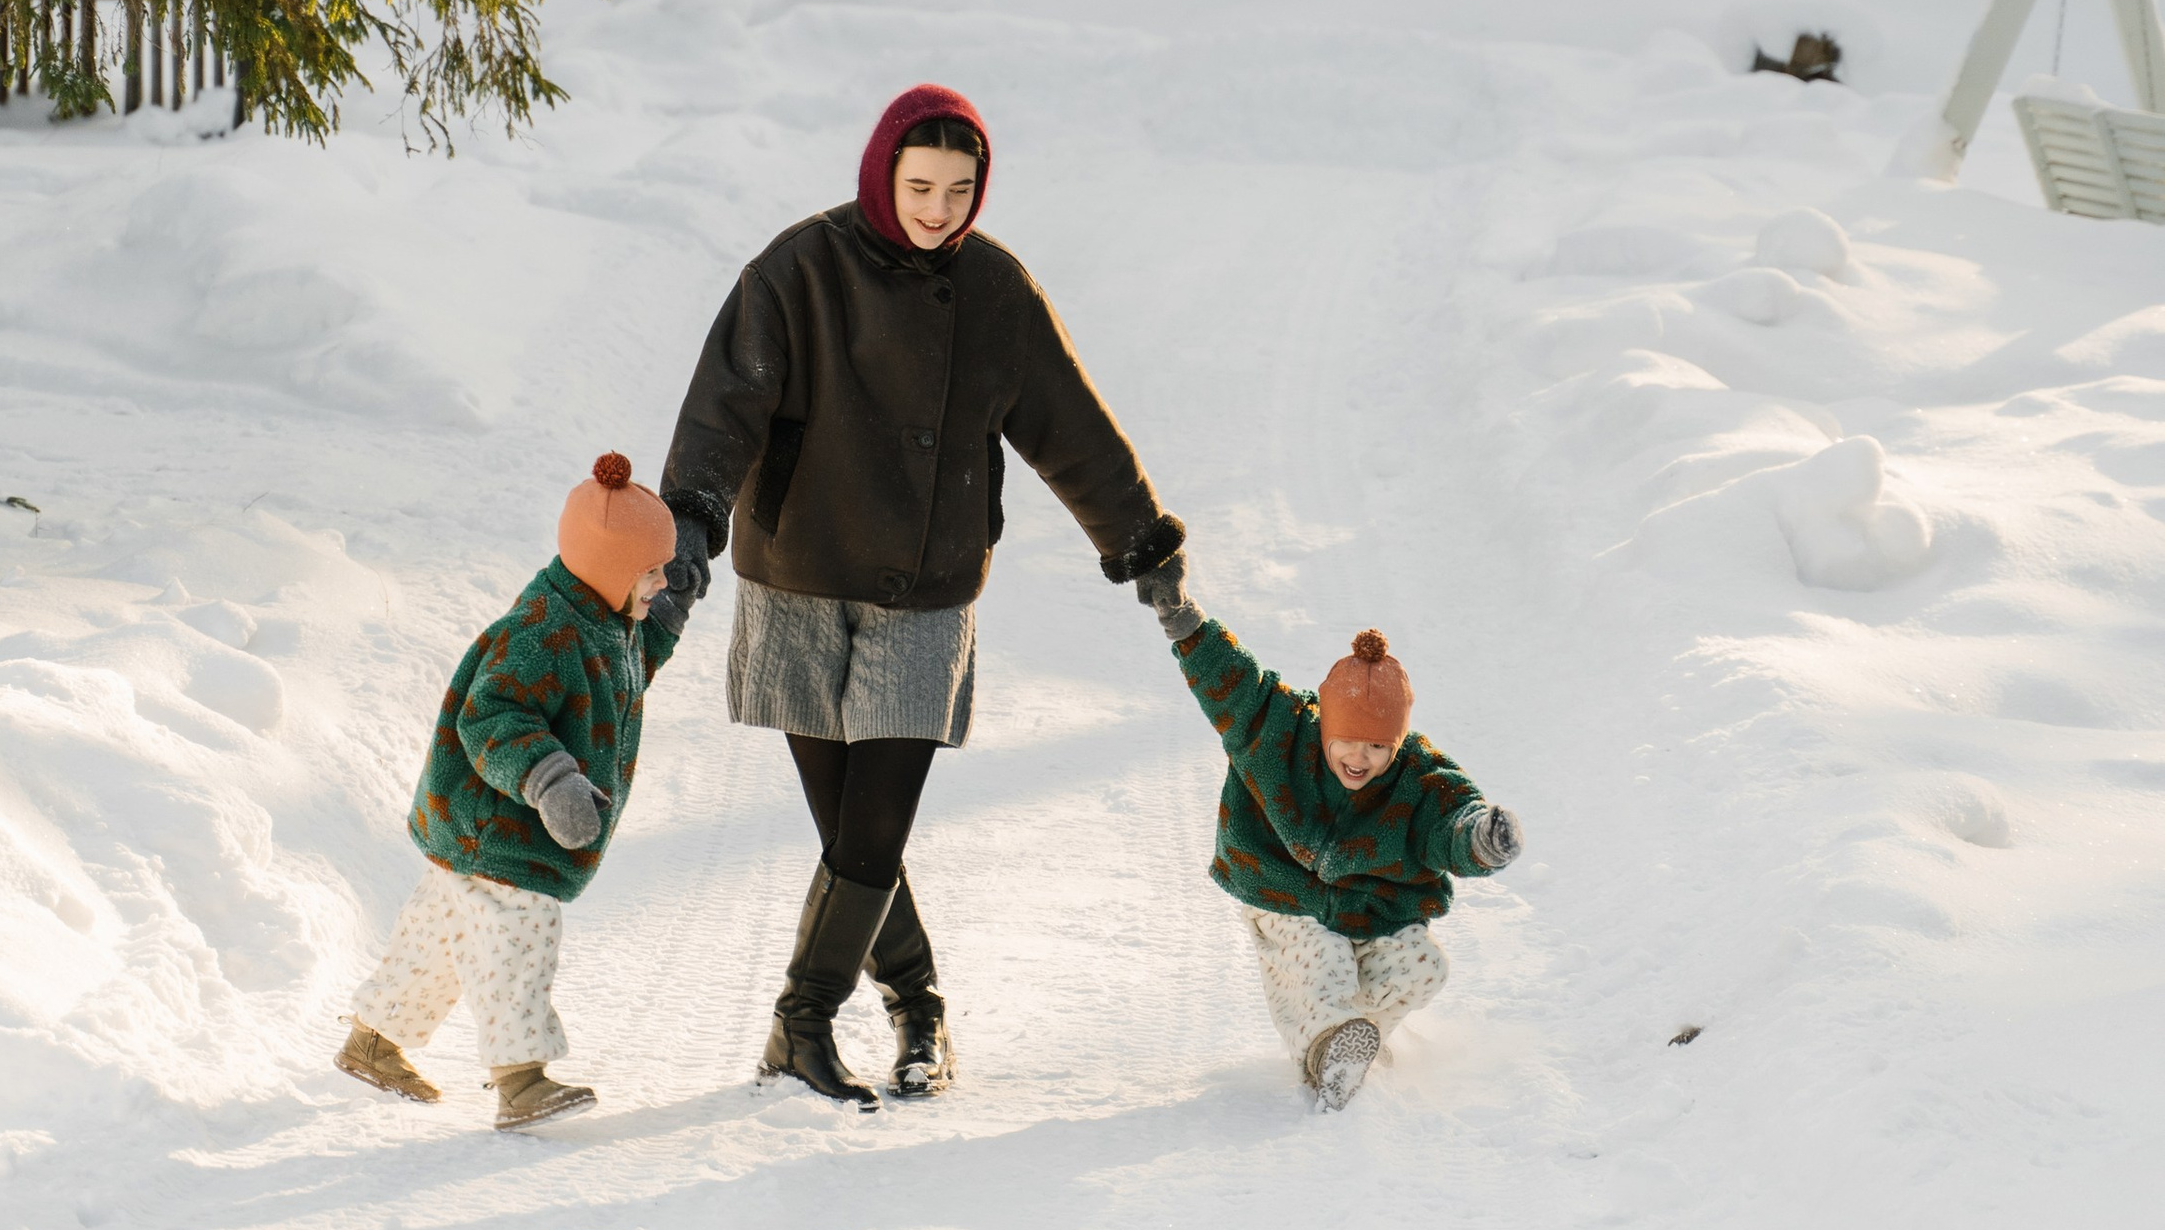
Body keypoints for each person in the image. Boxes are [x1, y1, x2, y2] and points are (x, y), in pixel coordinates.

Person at [661, 81, 1184, 1110]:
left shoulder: (995, 293)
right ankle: (920, 1004)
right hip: (798, 577)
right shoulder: (796, 269)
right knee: (847, 838)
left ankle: (797, 1027)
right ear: (880, 173)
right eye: (918, 185)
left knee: (873, 832)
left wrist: (1137, 539)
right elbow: (726, 406)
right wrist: (688, 525)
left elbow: (1069, 427)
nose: (938, 209)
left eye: (958, 188)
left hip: (924, 588)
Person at [334, 452, 687, 1129]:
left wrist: (667, 618)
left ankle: (372, 1043)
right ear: (612, 570)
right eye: (652, 572)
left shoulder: (598, 617)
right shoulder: (542, 633)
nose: (661, 581)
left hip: (482, 827)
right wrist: (552, 780)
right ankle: (520, 1078)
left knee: (440, 936)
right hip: (499, 826)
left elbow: (626, 668)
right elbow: (491, 715)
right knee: (517, 936)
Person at [1142, 599, 1524, 1107]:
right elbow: (1235, 685)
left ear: (1398, 743)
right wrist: (1186, 624)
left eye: (1377, 747)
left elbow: (1450, 821)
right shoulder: (1282, 730)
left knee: (1424, 965)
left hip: (1368, 906)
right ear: (1325, 725)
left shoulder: (1418, 777)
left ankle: (1353, 1042)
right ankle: (1327, 1049)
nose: (1358, 758)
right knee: (1323, 961)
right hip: (1280, 889)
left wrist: (1479, 840)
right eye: (1345, 740)